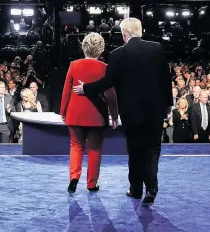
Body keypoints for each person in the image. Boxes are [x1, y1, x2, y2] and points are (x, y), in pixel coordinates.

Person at [73, 18, 172, 205]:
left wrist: (86, 88)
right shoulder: (157, 48)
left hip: (131, 112)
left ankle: (135, 190)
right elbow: (165, 79)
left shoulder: (118, 54)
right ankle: (151, 187)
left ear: (124, 34)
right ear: (140, 31)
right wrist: (167, 105)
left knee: (134, 150)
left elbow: (106, 83)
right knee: (152, 150)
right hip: (155, 110)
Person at [61, 33, 118, 193]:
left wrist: (63, 111)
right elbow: (111, 95)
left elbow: (66, 91)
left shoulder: (73, 65)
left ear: (83, 47)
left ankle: (74, 177)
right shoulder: (105, 68)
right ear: (101, 49)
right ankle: (91, 184)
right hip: (96, 115)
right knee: (94, 150)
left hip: (75, 113)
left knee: (76, 146)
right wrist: (114, 116)